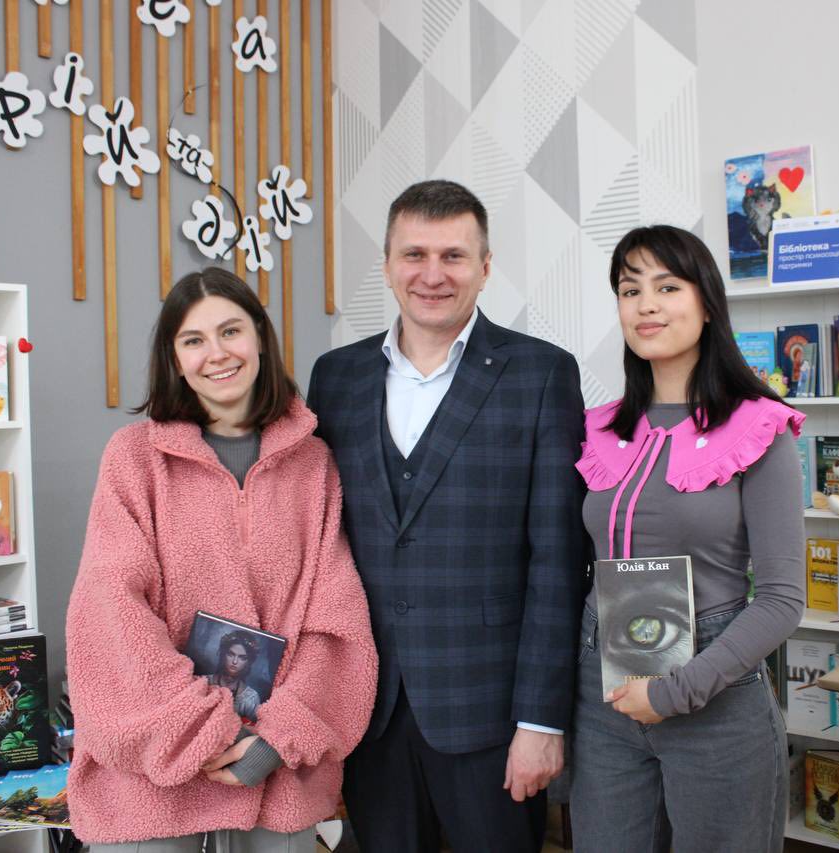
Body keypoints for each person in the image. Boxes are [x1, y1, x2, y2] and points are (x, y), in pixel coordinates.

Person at [307, 179, 587, 852]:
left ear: (485, 267)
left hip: (491, 714)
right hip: (368, 708)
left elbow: (558, 561)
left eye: (453, 256)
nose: (432, 274)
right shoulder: (335, 377)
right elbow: (317, 542)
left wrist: (541, 721)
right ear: (387, 265)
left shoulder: (541, 374)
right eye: (415, 254)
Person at [65, 268, 378, 851]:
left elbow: (337, 623)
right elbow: (109, 614)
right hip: (151, 783)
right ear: (175, 358)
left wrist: (278, 738)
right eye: (194, 339)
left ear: (259, 335)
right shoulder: (133, 459)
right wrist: (202, 730)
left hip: (274, 775)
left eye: (230, 331)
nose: (217, 353)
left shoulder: (314, 465)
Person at [569, 225, 806, 852]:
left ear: (707, 304)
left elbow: (783, 599)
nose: (646, 305)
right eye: (630, 290)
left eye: (668, 287)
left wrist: (675, 691)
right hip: (603, 696)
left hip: (714, 696)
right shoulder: (597, 429)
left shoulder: (759, 428)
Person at [204, 629, 264, 722]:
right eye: (231, 654)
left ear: (248, 662)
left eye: (242, 658)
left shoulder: (251, 698)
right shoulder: (204, 682)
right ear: (223, 654)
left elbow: (252, 727)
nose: (234, 662)